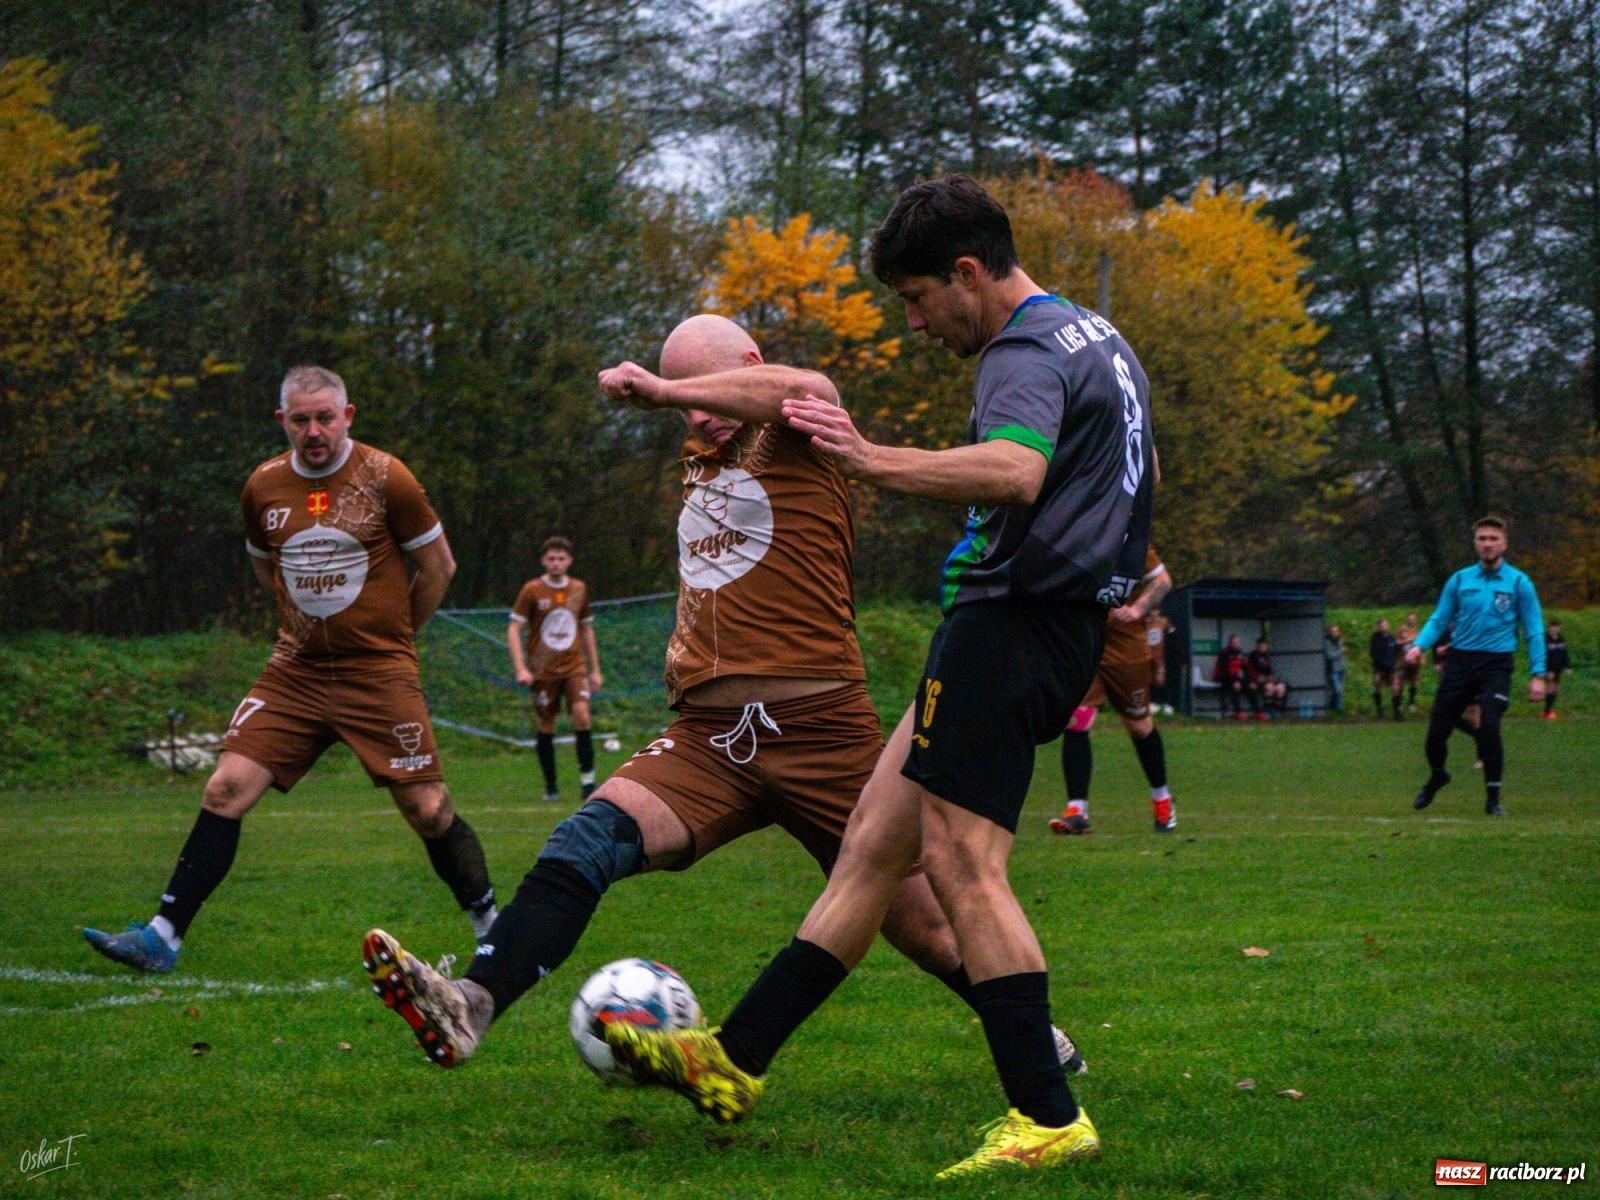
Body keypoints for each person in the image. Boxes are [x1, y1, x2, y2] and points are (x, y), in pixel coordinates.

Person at [600, 175, 1154, 1180]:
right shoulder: (1095, 336)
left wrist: (869, 458)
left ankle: (1046, 1111)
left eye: (916, 298)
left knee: (960, 865)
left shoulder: (1022, 349)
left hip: (1009, 625)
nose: (915, 321)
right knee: (869, 847)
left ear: (968, 273)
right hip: (1042, 626)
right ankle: (735, 1059)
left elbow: (1014, 469)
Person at [360, 314, 1085, 1078]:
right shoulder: (698, 449)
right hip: (710, 737)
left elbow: (803, 387)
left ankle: (1035, 1044)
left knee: (926, 927)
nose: (698, 413)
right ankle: (470, 1003)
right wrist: (680, 403)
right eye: (685, 404)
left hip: (823, 733)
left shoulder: (799, 423)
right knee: (585, 840)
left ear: (747, 366)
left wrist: (669, 386)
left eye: (710, 390)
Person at [84, 366, 497, 973]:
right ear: (282, 421)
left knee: (429, 810)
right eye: (300, 419)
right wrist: (302, 626)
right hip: (295, 673)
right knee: (224, 788)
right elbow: (266, 568)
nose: (314, 431)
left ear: (348, 416)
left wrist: (396, 637)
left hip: (377, 672)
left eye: (325, 417)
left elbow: (439, 567)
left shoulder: (387, 477)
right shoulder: (263, 487)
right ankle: (161, 937)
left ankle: (494, 929)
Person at [1406, 516, 1546, 817]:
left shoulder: (1519, 583)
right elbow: (1440, 618)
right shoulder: (1459, 580)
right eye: (1482, 538)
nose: (1487, 543)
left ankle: (1493, 798)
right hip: (1460, 661)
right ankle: (1438, 774)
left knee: (1490, 724)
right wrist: (1419, 645)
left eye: (1493, 538)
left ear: (1504, 544)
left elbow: (1534, 629)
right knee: (1436, 734)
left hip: (1496, 664)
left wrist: (1538, 673)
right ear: (1475, 544)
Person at [1049, 544, 1177, 834]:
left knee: (1139, 726)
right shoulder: (1077, 534)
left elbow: (1163, 581)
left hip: (1126, 649)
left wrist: (1137, 609)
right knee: (1077, 719)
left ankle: (1163, 801)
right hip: (1086, 641)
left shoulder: (1130, 539)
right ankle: (1077, 811)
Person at [507, 536, 603, 803]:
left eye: (561, 558)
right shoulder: (532, 591)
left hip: (574, 666)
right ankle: (551, 786)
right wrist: (521, 668)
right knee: (546, 723)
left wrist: (595, 669)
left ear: (570, 561)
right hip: (543, 670)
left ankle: (588, 783)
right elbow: (514, 628)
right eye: (551, 558)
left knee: (582, 715)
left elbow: (586, 628)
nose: (557, 563)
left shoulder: (578, 589)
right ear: (543, 561)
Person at [1213, 633, 1253, 719]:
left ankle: (1258, 711)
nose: (1236, 644)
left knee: (1250, 686)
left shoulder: (1240, 653)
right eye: (1234, 642)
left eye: (1237, 642)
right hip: (1223, 678)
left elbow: (1245, 668)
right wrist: (1234, 681)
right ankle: (1239, 711)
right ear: (1230, 643)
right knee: (1234, 687)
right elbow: (1224, 670)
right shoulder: (1224, 653)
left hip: (1235, 678)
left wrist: (1250, 681)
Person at [1369, 616, 1401, 719]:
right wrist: (1381, 664)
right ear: (1378, 627)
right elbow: (1374, 654)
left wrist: (1394, 663)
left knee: (1396, 688)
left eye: (1385, 625)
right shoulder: (1375, 639)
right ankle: (1380, 712)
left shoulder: (1391, 638)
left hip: (1391, 668)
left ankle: (1397, 712)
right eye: (1382, 625)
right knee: (1378, 686)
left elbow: (1396, 652)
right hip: (1379, 667)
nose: (1384, 627)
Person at [1246, 637, 1287, 717]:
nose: (1263, 647)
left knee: (1280, 687)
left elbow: (1269, 671)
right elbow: (1249, 671)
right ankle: (1267, 710)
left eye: (1265, 645)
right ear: (1257, 645)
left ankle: (1277, 710)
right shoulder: (1253, 655)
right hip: (1257, 680)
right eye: (1261, 645)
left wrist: (1271, 678)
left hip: (1267, 680)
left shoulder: (1266, 656)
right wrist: (1255, 680)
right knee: (1269, 688)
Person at [1147, 604, 1175, 712]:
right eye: (1151, 610)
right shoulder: (1145, 623)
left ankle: (1165, 703)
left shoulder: (1164, 621)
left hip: (1160, 657)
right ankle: (1152, 703)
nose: (1153, 613)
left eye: (1155, 610)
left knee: (1160, 680)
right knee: (1149, 679)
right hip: (1148, 656)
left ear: (1159, 611)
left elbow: (1172, 634)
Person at [1542, 620, 1571, 719]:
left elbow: (1564, 654)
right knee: (1550, 689)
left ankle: (1548, 709)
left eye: (1557, 627)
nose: (1555, 629)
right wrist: (1548, 670)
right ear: (1549, 627)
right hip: (1548, 669)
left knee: (1555, 690)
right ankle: (1547, 711)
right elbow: (1542, 655)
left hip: (1558, 669)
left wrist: (1568, 666)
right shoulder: (1545, 639)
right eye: (1553, 627)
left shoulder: (1561, 639)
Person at [1396, 612, 1422, 711]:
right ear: (1407, 620)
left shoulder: (1418, 631)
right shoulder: (1401, 630)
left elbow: (1420, 646)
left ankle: (1411, 702)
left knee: (1413, 682)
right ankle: (1400, 702)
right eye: (1410, 619)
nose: (1412, 621)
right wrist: (1409, 640)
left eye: (1413, 619)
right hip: (1403, 660)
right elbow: (1397, 642)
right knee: (1401, 681)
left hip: (1415, 661)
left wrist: (1422, 658)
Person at [1323, 624, 1347, 714]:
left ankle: (1333, 707)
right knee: (1337, 690)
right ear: (1329, 632)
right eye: (1333, 631)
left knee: (1339, 690)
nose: (1335, 633)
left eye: (1336, 631)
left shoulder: (1339, 641)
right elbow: (1330, 655)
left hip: (1341, 668)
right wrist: (1341, 651)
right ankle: (1338, 709)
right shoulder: (1327, 642)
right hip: (1333, 669)